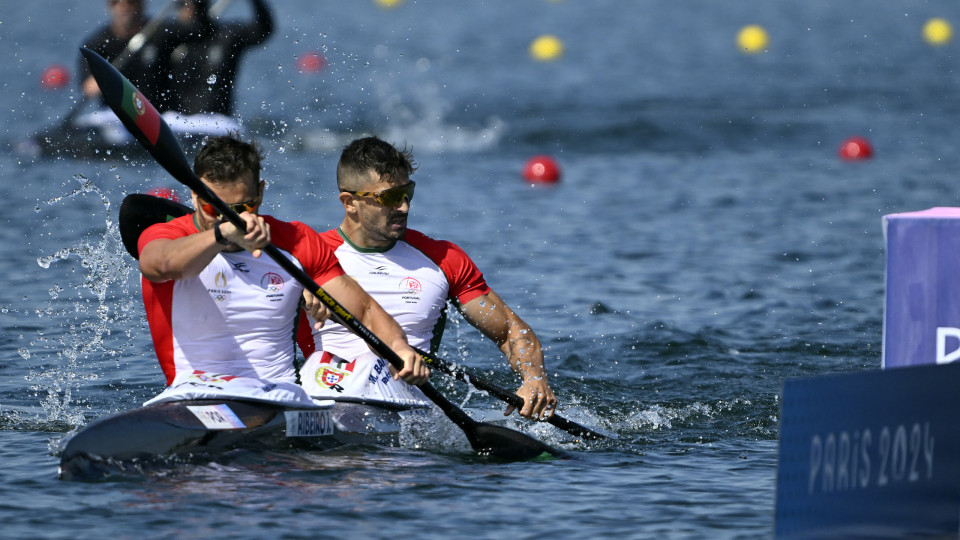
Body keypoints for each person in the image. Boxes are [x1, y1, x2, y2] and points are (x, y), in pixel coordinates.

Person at [137, 134, 427, 394]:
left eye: (242, 208)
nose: (228, 218)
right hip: (193, 392)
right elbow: (159, 266)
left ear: (260, 193)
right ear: (194, 196)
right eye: (215, 207)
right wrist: (221, 234)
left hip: (280, 398)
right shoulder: (168, 236)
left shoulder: (297, 241)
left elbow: (364, 312)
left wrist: (400, 347)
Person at [298, 136, 558, 420]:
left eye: (407, 192)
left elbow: (510, 330)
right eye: (390, 198)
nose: (405, 207)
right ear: (349, 203)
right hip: (323, 402)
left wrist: (534, 379)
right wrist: (295, 293)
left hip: (411, 417)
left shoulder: (442, 260)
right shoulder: (305, 259)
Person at [165, 0, 274, 116]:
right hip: (178, 122)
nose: (185, 9)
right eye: (180, 4)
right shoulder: (168, 40)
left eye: (190, 4)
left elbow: (264, 30)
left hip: (218, 123)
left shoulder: (226, 36)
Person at [78, 0, 186, 112]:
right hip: (118, 116)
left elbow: (198, 29)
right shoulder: (97, 44)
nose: (123, 6)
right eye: (115, 2)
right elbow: (88, 87)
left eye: (130, 2)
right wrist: (94, 83)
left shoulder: (162, 33)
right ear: (109, 6)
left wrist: (186, 8)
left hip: (162, 113)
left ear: (142, 5)